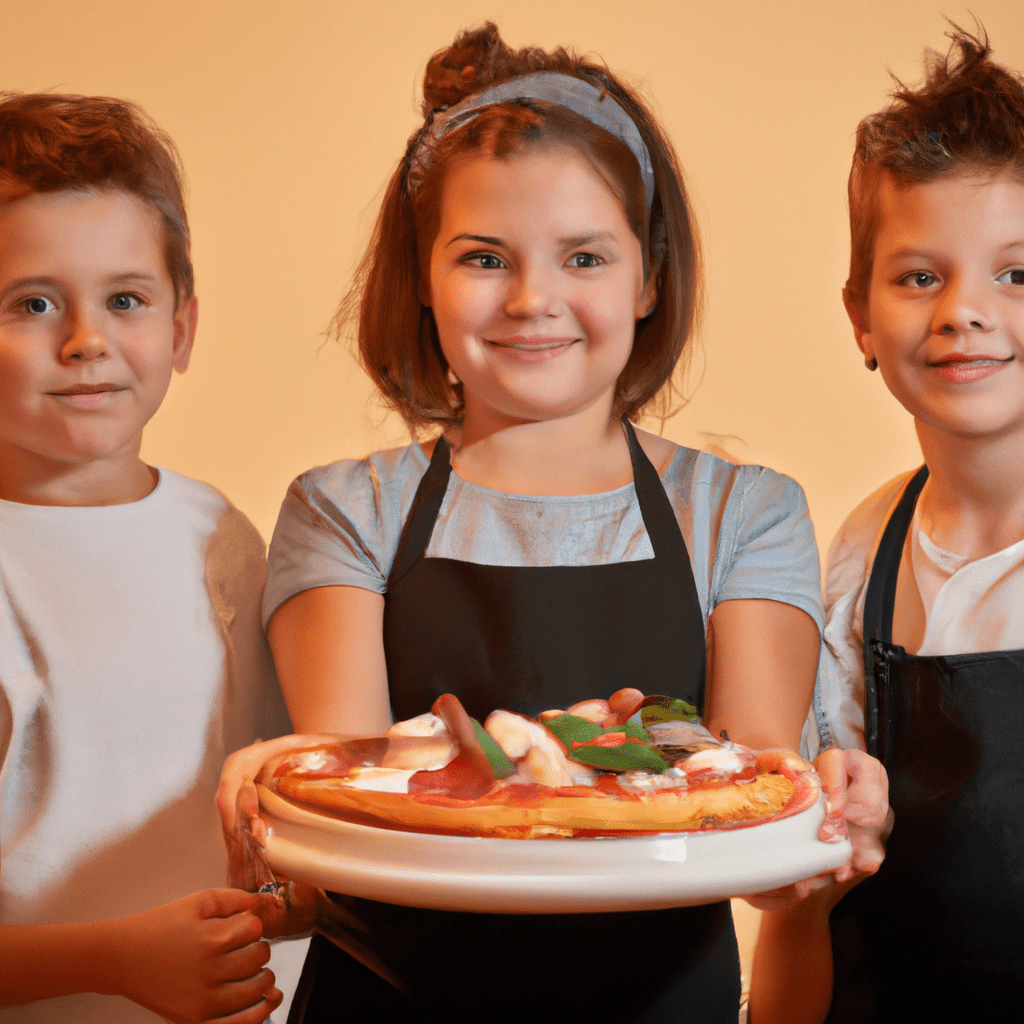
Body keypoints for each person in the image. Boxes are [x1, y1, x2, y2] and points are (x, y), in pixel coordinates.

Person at [219, 22, 852, 1023]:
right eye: (482, 257)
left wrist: (832, 814)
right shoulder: (346, 509)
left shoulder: (745, 512)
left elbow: (758, 819)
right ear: (422, 279)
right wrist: (283, 780)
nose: (531, 298)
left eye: (584, 256)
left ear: (647, 278)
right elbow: (344, 800)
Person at [750, 25, 1024, 1024]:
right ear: (859, 318)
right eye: (919, 277)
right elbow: (820, 884)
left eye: (1015, 275)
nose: (964, 312)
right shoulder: (863, 548)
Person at [0, 93, 290, 1023]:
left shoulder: (221, 532)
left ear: (181, 329)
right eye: (33, 303)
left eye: (125, 300)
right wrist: (115, 959)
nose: (86, 340)